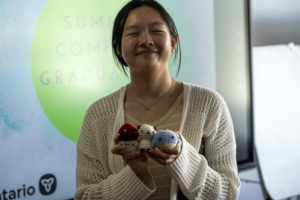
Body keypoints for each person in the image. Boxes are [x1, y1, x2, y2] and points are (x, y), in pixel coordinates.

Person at [75, 0, 240, 199]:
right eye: (134, 33)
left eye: (156, 31)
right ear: (117, 48)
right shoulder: (98, 115)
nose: (146, 40)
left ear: (173, 41)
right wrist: (135, 175)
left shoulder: (209, 105)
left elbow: (229, 194)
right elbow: (85, 196)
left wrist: (182, 159)